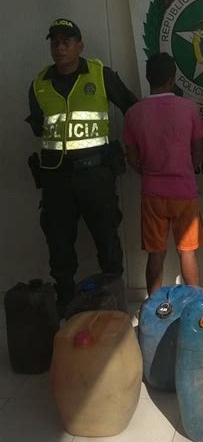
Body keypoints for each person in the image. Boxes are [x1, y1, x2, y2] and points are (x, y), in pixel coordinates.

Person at [27, 18, 137, 315]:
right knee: (59, 244)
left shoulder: (101, 75)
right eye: (55, 42)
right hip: (56, 180)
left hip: (96, 175)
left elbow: (133, 109)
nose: (60, 47)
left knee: (107, 240)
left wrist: (133, 150)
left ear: (80, 46)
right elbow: (40, 129)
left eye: (66, 41)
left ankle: (113, 307)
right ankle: (66, 307)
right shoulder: (39, 84)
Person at [123, 52, 203, 294]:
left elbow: (131, 158)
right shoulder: (189, 108)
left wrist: (149, 173)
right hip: (185, 191)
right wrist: (188, 170)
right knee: (187, 252)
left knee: (156, 254)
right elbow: (198, 149)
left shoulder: (133, 113)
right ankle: (197, 304)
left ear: (148, 78)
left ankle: (152, 306)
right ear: (173, 79)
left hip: (152, 193)